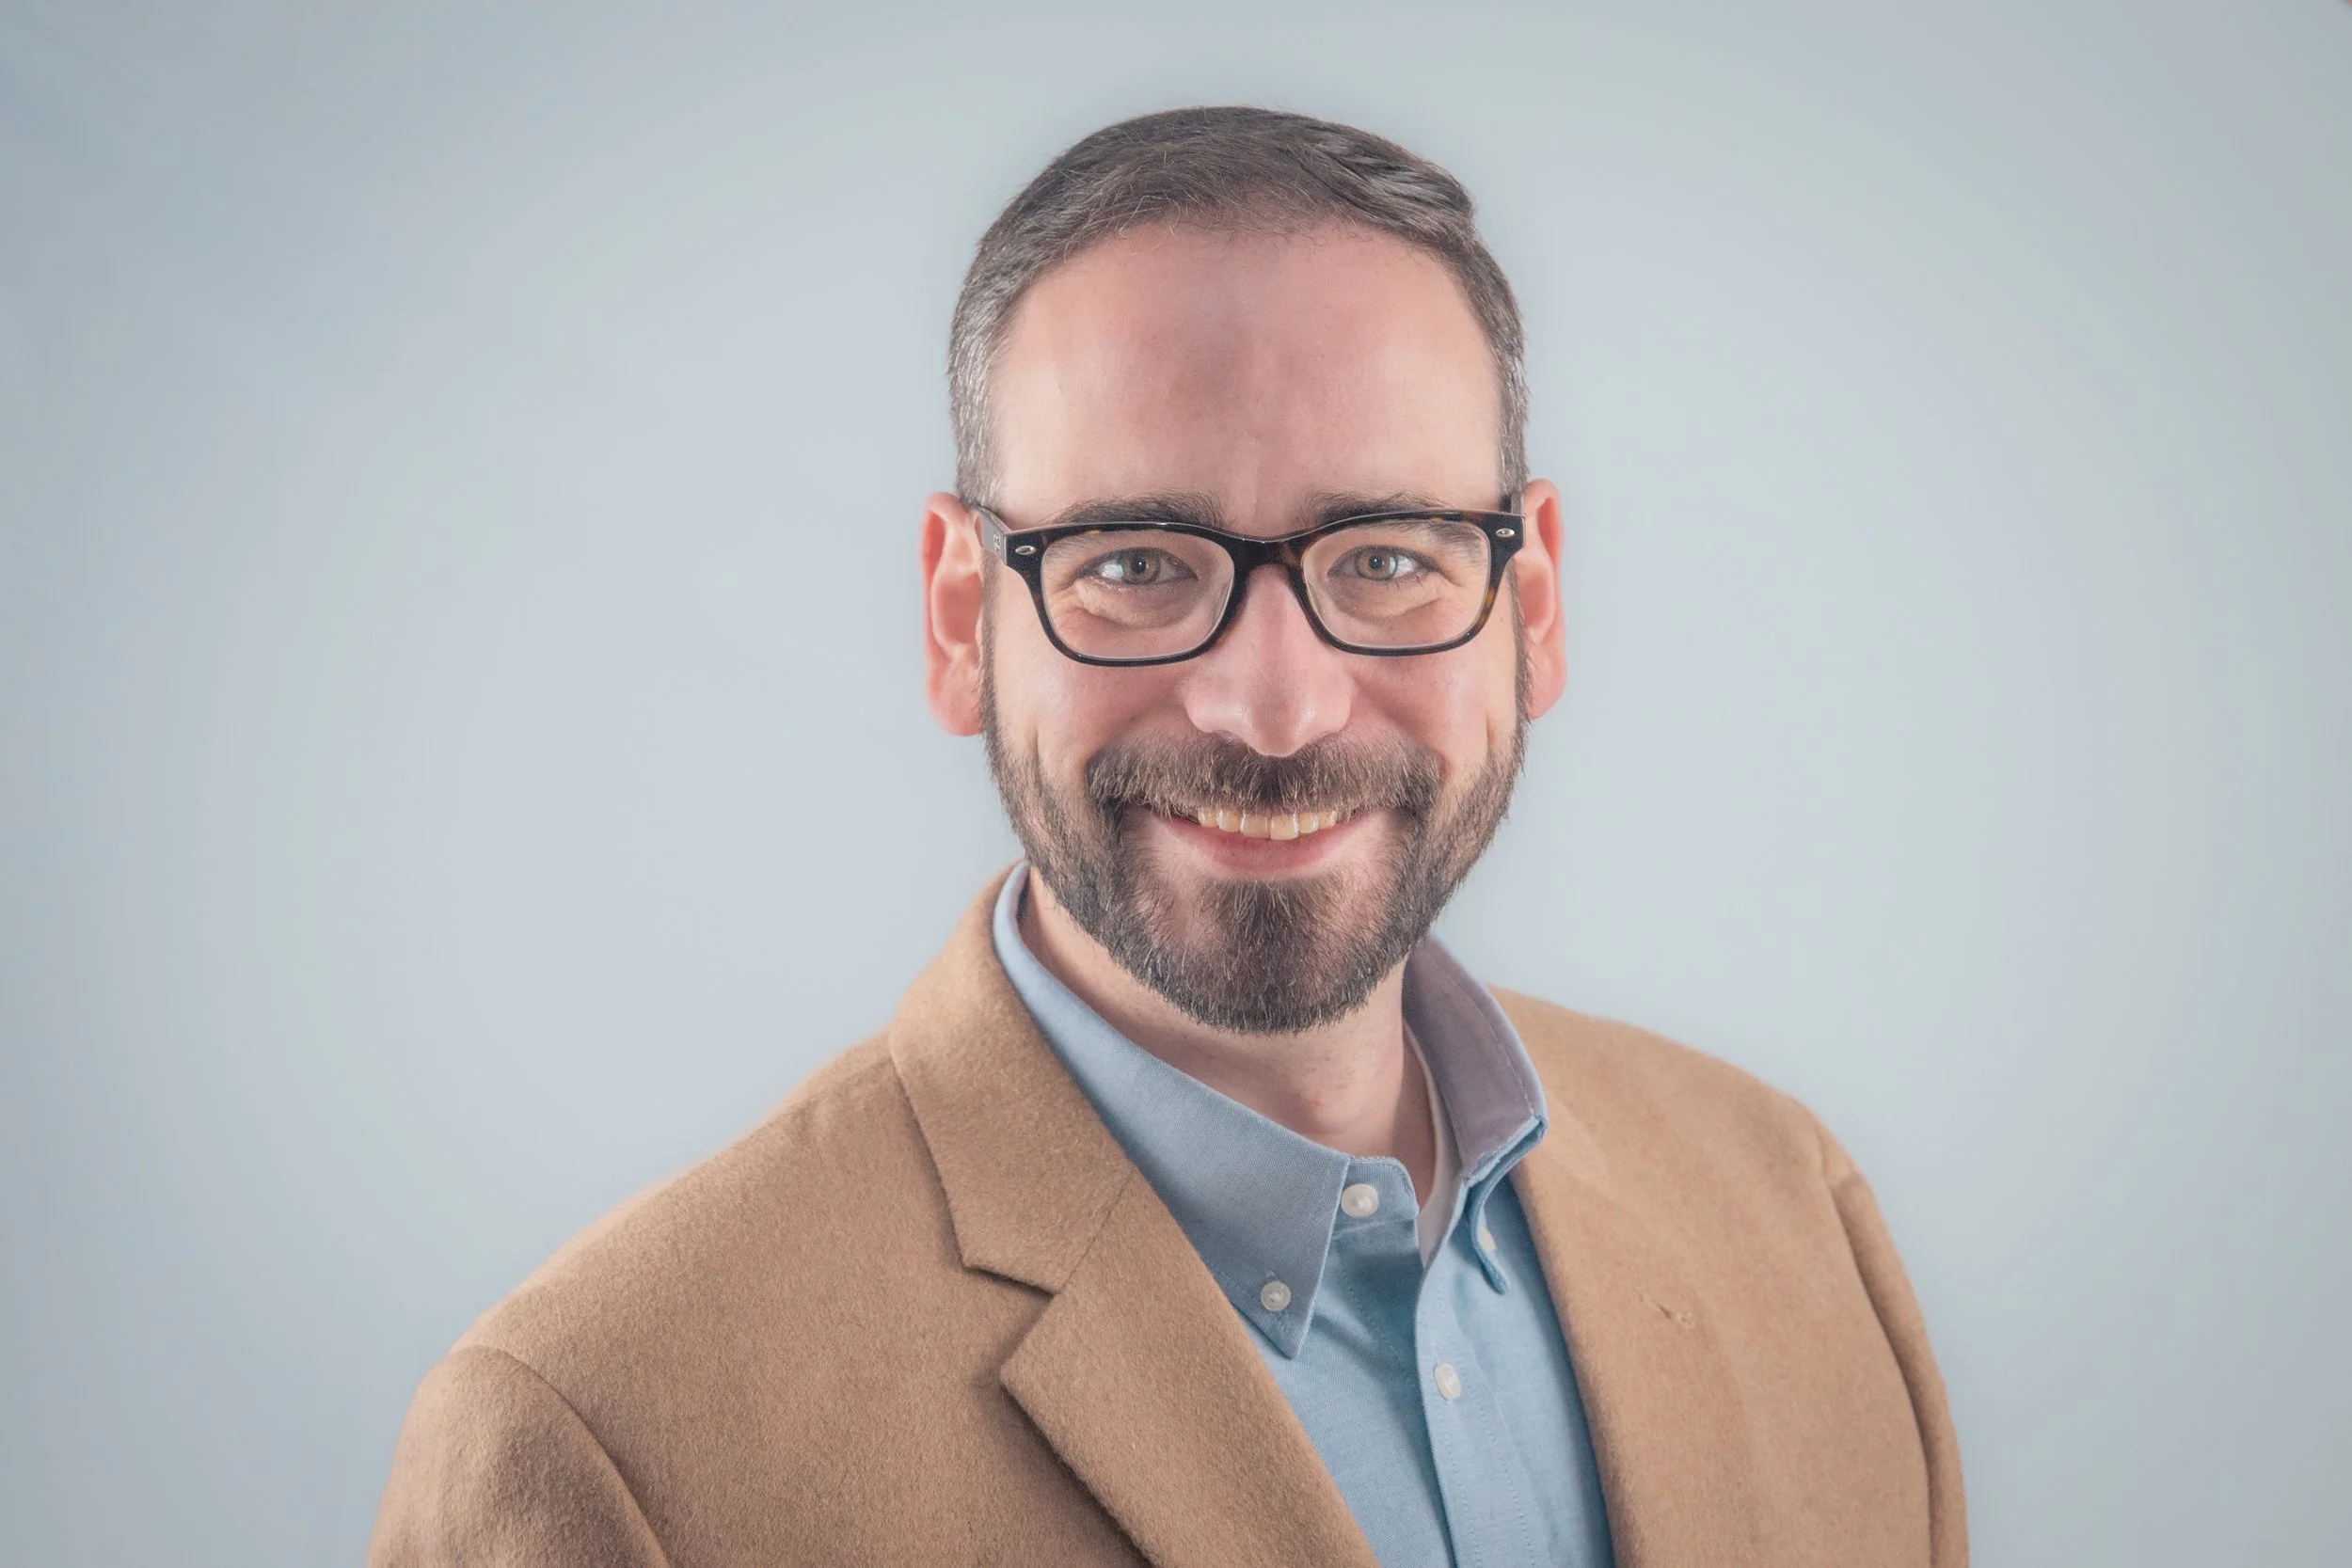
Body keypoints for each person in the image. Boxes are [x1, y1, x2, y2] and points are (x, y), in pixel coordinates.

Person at [369, 106, 1965, 1568]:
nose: (1273, 708)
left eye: (1389, 557)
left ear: (1531, 602)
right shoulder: (599, 1443)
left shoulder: (1794, 1212)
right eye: (1135, 564)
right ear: (957, 618)